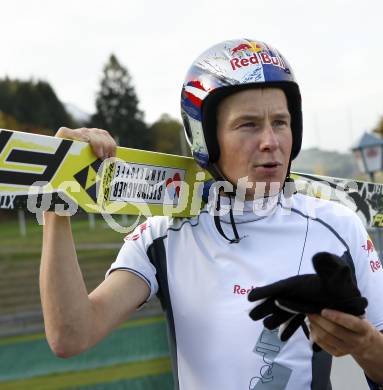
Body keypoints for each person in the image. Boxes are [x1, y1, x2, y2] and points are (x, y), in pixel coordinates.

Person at [40, 39, 383, 389]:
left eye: (280, 122)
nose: (270, 140)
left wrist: (365, 343)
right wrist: (59, 194)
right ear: (205, 139)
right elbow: (71, 336)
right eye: (248, 124)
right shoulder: (162, 237)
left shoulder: (338, 226)